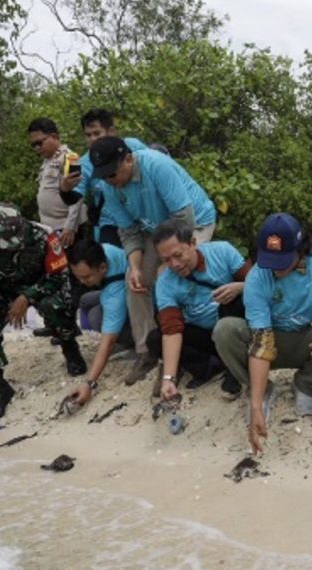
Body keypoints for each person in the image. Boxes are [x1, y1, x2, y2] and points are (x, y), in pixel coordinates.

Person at [213, 213, 312, 454]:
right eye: (270, 259)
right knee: (225, 331)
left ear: (302, 249)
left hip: (311, 339)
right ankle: (261, 390)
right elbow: (261, 343)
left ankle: (306, 385)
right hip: (272, 341)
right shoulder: (257, 277)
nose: (276, 267)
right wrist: (254, 406)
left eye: (283, 259)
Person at [88, 136, 217, 386]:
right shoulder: (109, 186)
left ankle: (182, 357)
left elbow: (183, 218)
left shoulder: (157, 166)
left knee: (175, 276)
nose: (110, 181)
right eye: (104, 177)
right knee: (134, 282)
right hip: (155, 230)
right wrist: (136, 267)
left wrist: (165, 264)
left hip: (193, 223)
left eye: (112, 174)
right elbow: (128, 231)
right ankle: (147, 350)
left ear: (128, 158)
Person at [0, 204, 87, 421]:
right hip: (1, 293)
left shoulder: (44, 235)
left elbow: (58, 275)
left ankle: (69, 345)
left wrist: (27, 297)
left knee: (57, 303)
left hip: (40, 285)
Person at [150, 219, 249, 401]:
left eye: (178, 255)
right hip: (204, 335)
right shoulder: (164, 283)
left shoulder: (223, 251)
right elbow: (172, 331)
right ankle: (210, 367)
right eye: (166, 260)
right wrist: (168, 379)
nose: (175, 264)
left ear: (193, 243)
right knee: (155, 338)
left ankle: (235, 368)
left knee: (232, 300)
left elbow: (257, 285)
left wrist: (239, 287)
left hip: (232, 328)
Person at [58, 108, 148, 248]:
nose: (92, 139)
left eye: (97, 133)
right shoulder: (84, 163)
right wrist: (65, 189)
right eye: (88, 135)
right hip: (111, 223)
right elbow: (74, 198)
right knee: (111, 264)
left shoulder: (132, 145)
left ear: (111, 131)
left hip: (144, 216)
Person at [63, 238, 130, 408]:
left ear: (102, 267)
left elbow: (108, 342)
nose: (82, 281)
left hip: (130, 294)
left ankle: (132, 342)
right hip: (114, 288)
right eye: (77, 276)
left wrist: (89, 383)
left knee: (95, 317)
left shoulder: (114, 295)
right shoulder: (104, 249)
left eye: (86, 276)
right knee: (85, 300)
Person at [28, 117, 85, 247]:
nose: (37, 148)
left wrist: (70, 227)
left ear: (53, 136)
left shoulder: (70, 158)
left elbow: (78, 194)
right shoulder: (47, 160)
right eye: (33, 145)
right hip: (49, 227)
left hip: (65, 228)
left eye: (39, 143)